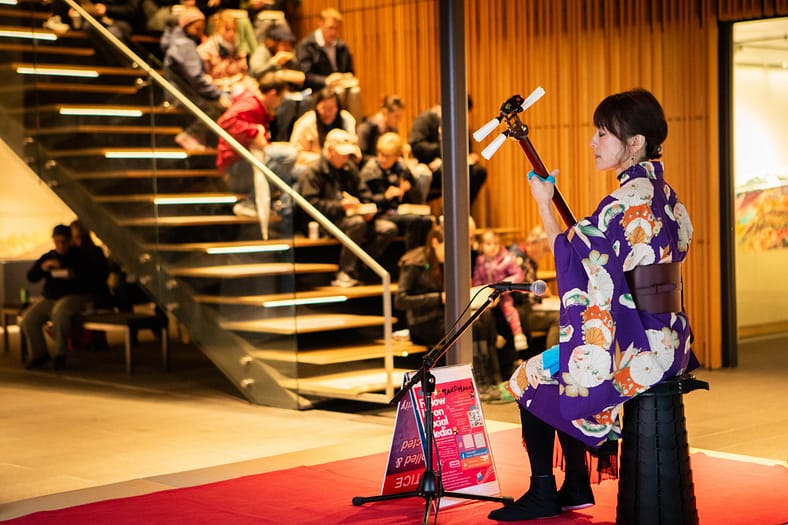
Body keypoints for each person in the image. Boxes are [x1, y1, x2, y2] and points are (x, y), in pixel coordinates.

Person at [487, 89, 697, 521]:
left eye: (603, 133)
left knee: (529, 376)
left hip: (637, 349)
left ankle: (548, 489)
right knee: (563, 365)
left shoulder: (622, 203)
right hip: (669, 337)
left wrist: (545, 205)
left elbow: (571, 262)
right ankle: (577, 485)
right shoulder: (668, 196)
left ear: (635, 142)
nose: (593, 142)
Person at [395, 226, 502, 400]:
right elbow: (400, 300)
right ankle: (477, 381)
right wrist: (438, 298)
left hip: (445, 315)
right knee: (471, 328)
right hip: (423, 322)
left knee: (485, 319)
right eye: (447, 246)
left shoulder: (445, 262)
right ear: (435, 242)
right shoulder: (414, 263)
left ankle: (491, 377)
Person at [299, 129, 397, 288]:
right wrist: (340, 206)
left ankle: (362, 266)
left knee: (388, 228)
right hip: (325, 222)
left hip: (354, 217)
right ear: (330, 150)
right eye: (343, 154)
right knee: (357, 223)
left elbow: (365, 194)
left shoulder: (349, 168)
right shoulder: (313, 171)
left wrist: (365, 207)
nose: (346, 158)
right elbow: (310, 205)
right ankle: (345, 272)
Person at [216, 72, 295, 234]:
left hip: (245, 164)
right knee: (289, 155)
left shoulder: (257, 105)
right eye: (281, 98)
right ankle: (251, 202)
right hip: (235, 169)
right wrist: (253, 131)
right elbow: (224, 123)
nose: (280, 103)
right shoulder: (251, 104)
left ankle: (281, 210)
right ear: (273, 94)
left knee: (299, 171)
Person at [20, 224, 93, 371]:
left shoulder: (80, 256)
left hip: (74, 295)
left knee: (59, 313)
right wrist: (42, 267)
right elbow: (31, 277)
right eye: (57, 241)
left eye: (64, 241)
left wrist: (72, 273)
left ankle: (60, 354)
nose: (60, 245)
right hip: (51, 297)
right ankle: (39, 354)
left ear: (70, 241)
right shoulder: (49, 256)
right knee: (28, 319)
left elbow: (90, 279)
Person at [162, 6, 232, 152]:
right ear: (186, 26)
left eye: (202, 27)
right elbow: (196, 78)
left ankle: (197, 137)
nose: (201, 31)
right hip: (181, 94)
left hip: (181, 91)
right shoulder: (185, 45)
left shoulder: (181, 42)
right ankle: (189, 135)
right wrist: (218, 94)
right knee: (216, 108)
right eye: (197, 27)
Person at [360, 132, 433, 251]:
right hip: (380, 214)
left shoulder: (402, 169)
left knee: (427, 220)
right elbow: (365, 199)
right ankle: (410, 261)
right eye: (380, 154)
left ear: (396, 156)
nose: (382, 159)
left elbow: (418, 199)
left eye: (387, 156)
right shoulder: (369, 171)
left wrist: (409, 190)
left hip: (400, 211)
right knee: (414, 221)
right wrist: (386, 197)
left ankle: (423, 261)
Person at [408, 99, 487, 206]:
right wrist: (444, 151)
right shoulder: (425, 119)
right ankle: (450, 211)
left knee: (478, 172)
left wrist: (470, 157)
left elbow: (466, 148)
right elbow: (416, 145)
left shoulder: (459, 123)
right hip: (430, 166)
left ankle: (463, 210)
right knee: (451, 173)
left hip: (453, 165)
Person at [295, 7, 361, 118]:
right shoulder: (306, 45)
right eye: (330, 28)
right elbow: (306, 75)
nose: (334, 32)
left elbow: (350, 71)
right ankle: (336, 126)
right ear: (320, 24)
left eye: (337, 29)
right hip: (316, 90)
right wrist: (327, 81)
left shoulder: (342, 46)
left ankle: (354, 131)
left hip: (341, 86)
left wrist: (347, 77)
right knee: (338, 92)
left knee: (355, 92)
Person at [472, 230, 528, 353]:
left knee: (508, 308)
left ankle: (518, 334)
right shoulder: (480, 261)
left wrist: (504, 285)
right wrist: (481, 290)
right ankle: (495, 337)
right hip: (487, 293)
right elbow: (477, 278)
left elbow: (519, 274)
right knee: (482, 313)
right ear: (481, 246)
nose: (492, 247)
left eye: (495, 244)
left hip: (503, 293)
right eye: (488, 244)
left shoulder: (506, 259)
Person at [289, 87, 356, 168]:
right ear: (317, 107)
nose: (327, 113)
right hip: (313, 168)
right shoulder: (305, 123)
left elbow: (354, 149)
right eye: (323, 108)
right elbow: (295, 154)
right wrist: (325, 160)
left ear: (337, 108)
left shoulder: (347, 120)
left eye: (331, 109)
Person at [197, 10, 255, 98]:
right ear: (217, 29)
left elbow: (244, 73)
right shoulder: (205, 50)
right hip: (219, 93)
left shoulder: (238, 48)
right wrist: (227, 84)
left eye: (234, 30)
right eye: (227, 29)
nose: (231, 34)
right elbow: (204, 80)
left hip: (239, 89)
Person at [356, 95, 405, 161]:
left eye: (400, 117)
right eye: (396, 116)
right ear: (385, 112)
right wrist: (383, 161)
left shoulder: (393, 130)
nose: (399, 120)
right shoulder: (366, 128)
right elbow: (361, 157)